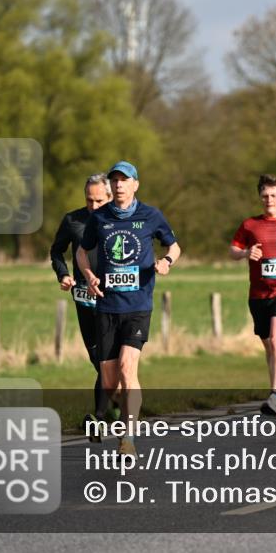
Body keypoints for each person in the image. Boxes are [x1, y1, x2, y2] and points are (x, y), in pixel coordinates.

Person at [77, 161, 181, 457]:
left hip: (138, 306)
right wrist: (88, 275)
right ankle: (110, 414)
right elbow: (82, 251)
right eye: (115, 180)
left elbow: (174, 246)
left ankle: (128, 439)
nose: (119, 185)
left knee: (127, 367)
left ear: (136, 184)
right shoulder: (100, 218)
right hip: (107, 306)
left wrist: (166, 262)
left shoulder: (151, 215)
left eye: (124, 180)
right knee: (109, 380)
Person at [50, 173, 115, 439]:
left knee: (111, 362)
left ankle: (103, 417)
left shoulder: (120, 220)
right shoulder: (73, 220)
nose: (94, 206)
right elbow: (56, 250)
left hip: (114, 299)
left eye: (99, 201)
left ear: (110, 197)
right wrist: (63, 274)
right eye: (90, 201)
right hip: (84, 300)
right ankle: (113, 410)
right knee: (99, 361)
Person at [230, 174, 276, 418]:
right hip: (258, 294)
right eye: (264, 195)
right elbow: (234, 249)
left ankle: (274, 396)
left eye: (273, 195)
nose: (268, 199)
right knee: (270, 347)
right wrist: (246, 253)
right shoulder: (250, 225)